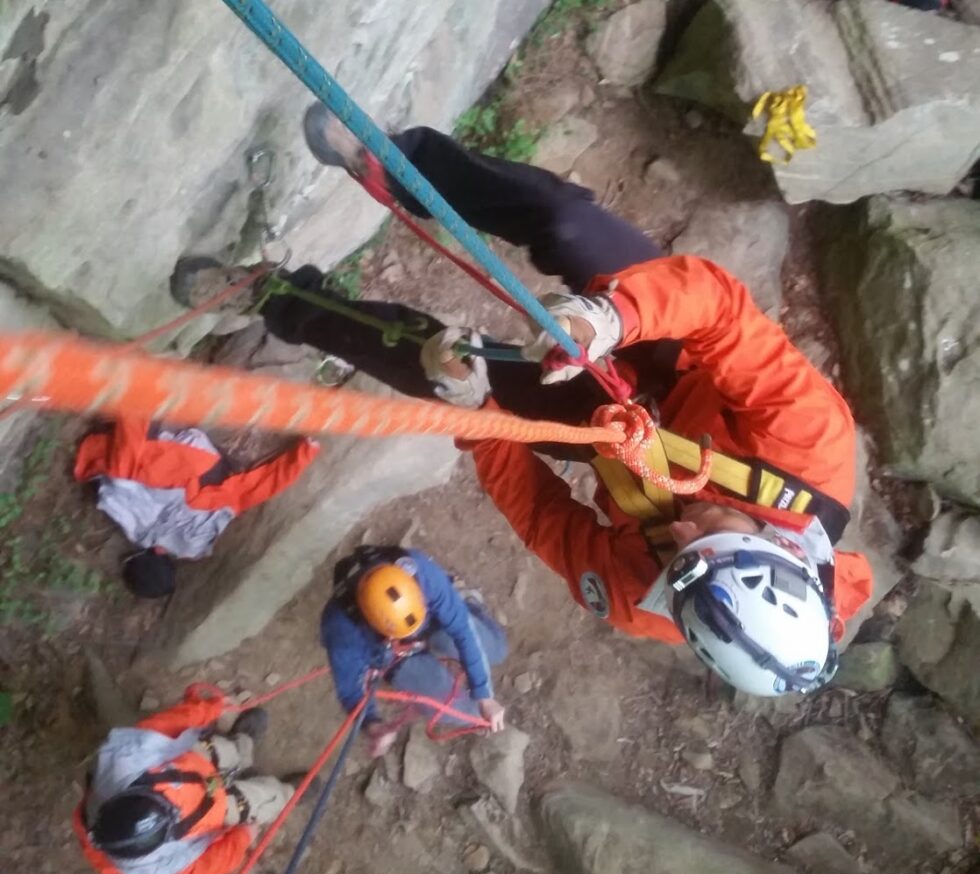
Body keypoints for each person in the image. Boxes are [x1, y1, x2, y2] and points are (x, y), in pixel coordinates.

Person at [176, 111, 873, 697]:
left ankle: (277, 297)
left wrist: (477, 412)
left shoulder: (647, 599)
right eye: (712, 531)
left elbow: (543, 515)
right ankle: (397, 164)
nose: (683, 528)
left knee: (436, 365)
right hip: (675, 356)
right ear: (779, 543)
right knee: (565, 224)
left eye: (677, 555)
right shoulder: (811, 448)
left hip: (606, 439)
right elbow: (719, 314)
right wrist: (611, 318)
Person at [76, 691, 299, 874]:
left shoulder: (122, 761)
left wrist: (212, 708)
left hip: (189, 767)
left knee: (220, 750)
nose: (173, 806)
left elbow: (168, 724)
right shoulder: (158, 871)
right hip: (213, 812)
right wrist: (243, 837)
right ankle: (289, 793)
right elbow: (209, 865)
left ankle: (241, 746)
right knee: (263, 800)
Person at [74, 417, 318, 598]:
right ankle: (135, 396)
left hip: (206, 465)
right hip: (182, 461)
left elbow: (254, 491)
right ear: (147, 554)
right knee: (129, 470)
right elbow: (121, 483)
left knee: (133, 469)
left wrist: (303, 455)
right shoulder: (143, 531)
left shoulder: (198, 541)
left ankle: (136, 400)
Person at [320, 544, 507, 757]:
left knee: (496, 650)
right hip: (391, 652)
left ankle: (465, 599)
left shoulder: (420, 572)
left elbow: (463, 630)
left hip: (431, 619)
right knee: (464, 710)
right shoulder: (341, 628)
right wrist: (372, 725)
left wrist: (484, 695)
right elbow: (351, 690)